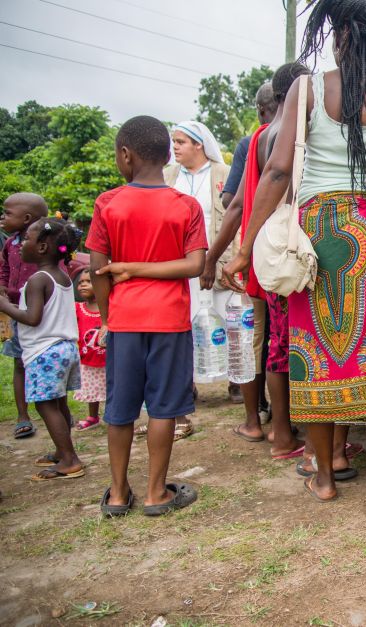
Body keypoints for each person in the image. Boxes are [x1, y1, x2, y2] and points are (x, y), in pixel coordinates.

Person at [222, 0, 366, 515]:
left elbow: (277, 170)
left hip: (316, 233)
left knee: (314, 354)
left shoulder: (307, 88)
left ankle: (325, 478)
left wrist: (243, 249)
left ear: (335, 34)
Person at [88, 115, 206, 517]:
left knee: (120, 409)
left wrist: (108, 314)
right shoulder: (185, 206)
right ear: (166, 153)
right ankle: (157, 492)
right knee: (163, 408)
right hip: (170, 320)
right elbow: (194, 265)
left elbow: (98, 270)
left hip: (123, 319)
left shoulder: (108, 203)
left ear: (126, 155)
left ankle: (119, 493)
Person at [212, 63, 309, 459]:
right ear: (299, 93)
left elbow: (236, 202)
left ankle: (281, 432)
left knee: (276, 343)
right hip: (294, 249)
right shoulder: (288, 134)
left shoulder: (259, 139)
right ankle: (290, 436)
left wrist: (235, 252)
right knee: (293, 344)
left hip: (270, 253)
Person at [0, 218, 84, 481]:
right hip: (65, 348)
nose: (22, 243)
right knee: (58, 403)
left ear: (42, 247)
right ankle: (63, 450)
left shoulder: (38, 279)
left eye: (27, 239)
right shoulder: (61, 276)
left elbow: (32, 317)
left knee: (45, 405)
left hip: (45, 352)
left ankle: (69, 460)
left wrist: (4, 305)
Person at [165, 120, 238, 421]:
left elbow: (232, 219)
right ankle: (188, 382)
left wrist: (221, 261)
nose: (175, 148)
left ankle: (237, 379)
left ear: (199, 144)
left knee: (226, 315)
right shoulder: (168, 176)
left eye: (181, 142)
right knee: (185, 320)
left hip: (217, 258)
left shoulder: (222, 173)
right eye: (173, 142)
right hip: (180, 260)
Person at [0, 192, 48, 439]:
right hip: (18, 314)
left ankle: (58, 411)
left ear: (26, 218)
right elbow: (4, 270)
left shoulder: (44, 245)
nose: (2, 217)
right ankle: (22, 416)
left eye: (7, 213)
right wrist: (4, 292)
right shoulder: (10, 244)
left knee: (46, 361)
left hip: (43, 316)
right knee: (19, 363)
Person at [221, 82, 278, 210]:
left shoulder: (249, 144)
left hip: (259, 224)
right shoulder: (299, 139)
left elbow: (229, 200)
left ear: (260, 109)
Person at [74, 269, 107, 430]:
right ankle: (93, 416)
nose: (83, 285)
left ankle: (114, 415)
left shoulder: (109, 307)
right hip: (88, 359)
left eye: (88, 281)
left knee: (112, 387)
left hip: (109, 359)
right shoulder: (78, 308)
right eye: (80, 282)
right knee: (91, 390)